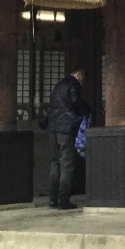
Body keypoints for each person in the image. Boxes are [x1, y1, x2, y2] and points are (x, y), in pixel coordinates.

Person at [46, 67, 90, 210]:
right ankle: (63, 198)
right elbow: (75, 102)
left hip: (52, 128)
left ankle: (52, 198)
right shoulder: (73, 84)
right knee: (67, 163)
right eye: (82, 76)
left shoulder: (58, 85)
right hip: (66, 129)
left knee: (55, 162)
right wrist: (86, 109)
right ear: (77, 74)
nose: (82, 80)